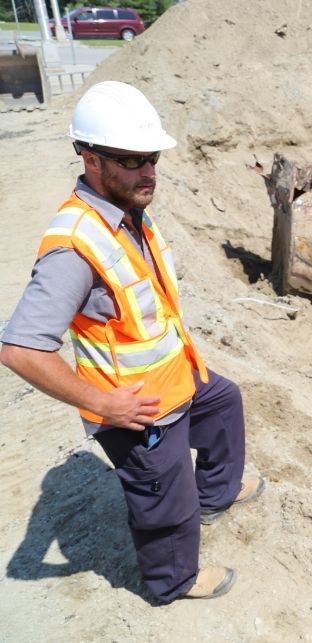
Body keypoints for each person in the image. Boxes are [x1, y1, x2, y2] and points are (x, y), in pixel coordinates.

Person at [0, 81, 264, 604]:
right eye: (133, 160)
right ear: (91, 159)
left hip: (177, 378)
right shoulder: (74, 246)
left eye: (152, 158)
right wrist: (102, 405)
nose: (150, 172)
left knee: (224, 405)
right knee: (168, 505)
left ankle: (215, 496)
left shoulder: (127, 212)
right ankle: (173, 581)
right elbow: (20, 349)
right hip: (138, 409)